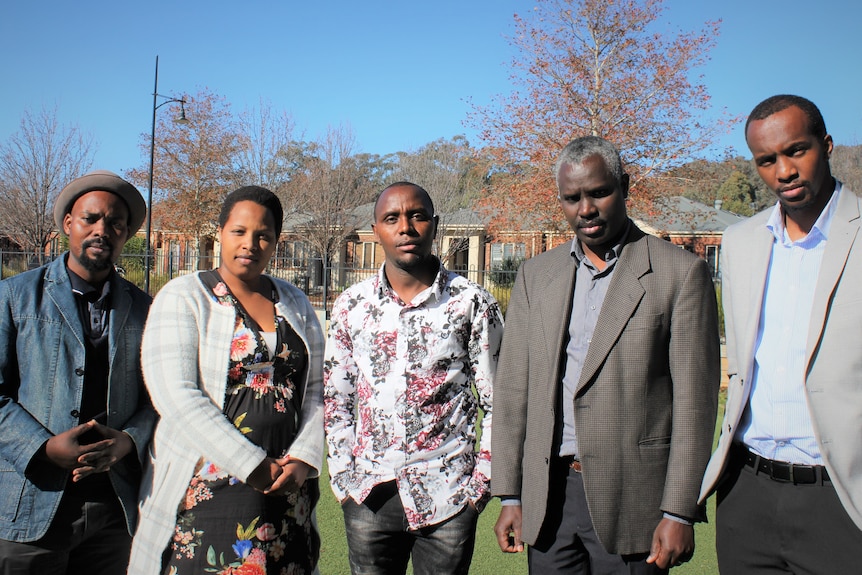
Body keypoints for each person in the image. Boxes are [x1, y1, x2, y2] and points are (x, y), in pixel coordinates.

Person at [492, 136, 720, 574]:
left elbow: (695, 404)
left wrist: (678, 512)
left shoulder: (679, 273)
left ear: (625, 186)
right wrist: (512, 495)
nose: (586, 208)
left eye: (599, 192)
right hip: (550, 501)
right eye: (572, 197)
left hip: (636, 503)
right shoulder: (536, 276)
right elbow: (513, 392)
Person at [699, 94, 862, 573]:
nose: (783, 171)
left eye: (796, 151)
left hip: (840, 497)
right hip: (746, 491)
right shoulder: (740, 242)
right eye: (766, 160)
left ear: (827, 145)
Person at [128, 186, 324, 574]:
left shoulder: (295, 301)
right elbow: (176, 396)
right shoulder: (184, 296)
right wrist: (249, 463)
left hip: (286, 491)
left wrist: (303, 459)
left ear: (276, 242)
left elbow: (319, 390)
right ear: (220, 232)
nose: (250, 243)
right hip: (208, 490)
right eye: (239, 231)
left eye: (263, 235)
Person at [324, 182, 503, 575]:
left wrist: (478, 489)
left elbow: (498, 403)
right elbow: (337, 399)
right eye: (392, 218)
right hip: (370, 493)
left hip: (449, 495)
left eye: (417, 216)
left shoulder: (471, 303)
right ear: (376, 230)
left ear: (434, 225)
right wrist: (343, 480)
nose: (405, 227)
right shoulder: (352, 306)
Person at [0, 170, 154, 573]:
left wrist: (127, 441)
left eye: (115, 223)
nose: (102, 229)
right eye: (91, 218)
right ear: (68, 223)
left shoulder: (146, 308)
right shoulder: (15, 297)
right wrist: (44, 448)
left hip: (113, 512)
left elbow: (160, 399)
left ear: (125, 234)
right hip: (29, 503)